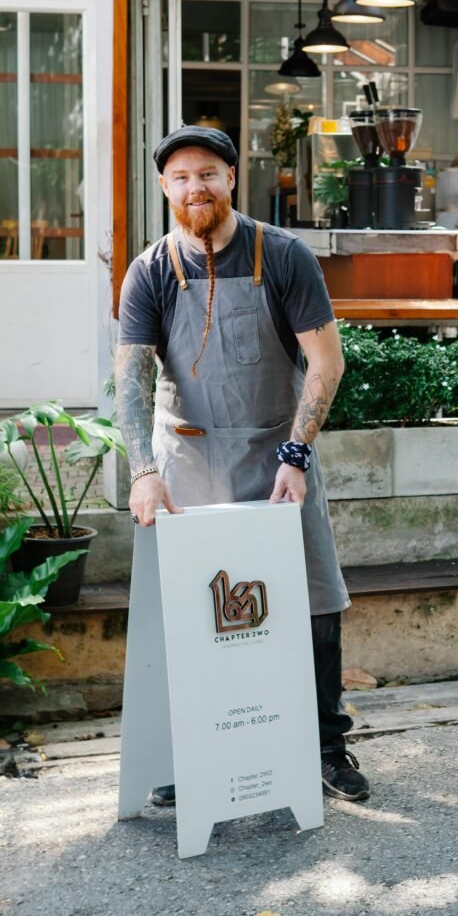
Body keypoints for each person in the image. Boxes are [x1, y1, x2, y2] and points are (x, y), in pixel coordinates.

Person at [115, 125, 369, 806]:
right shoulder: (150, 271)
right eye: (180, 178)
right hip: (189, 461)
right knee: (194, 614)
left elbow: (326, 361)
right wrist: (143, 470)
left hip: (276, 456)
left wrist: (297, 454)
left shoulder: (283, 256)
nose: (195, 187)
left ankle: (325, 749)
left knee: (313, 602)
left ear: (231, 177)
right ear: (165, 188)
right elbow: (132, 383)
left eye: (208, 173)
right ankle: (187, 755)